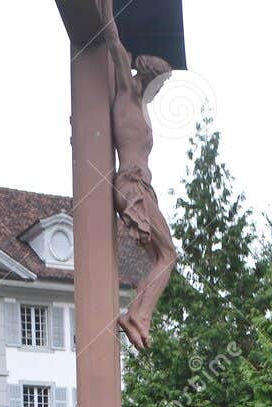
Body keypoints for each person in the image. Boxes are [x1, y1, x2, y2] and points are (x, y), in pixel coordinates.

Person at [97, 0, 177, 349]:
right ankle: (137, 316)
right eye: (160, 82)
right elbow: (113, 39)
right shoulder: (128, 92)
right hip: (131, 184)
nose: (160, 90)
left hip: (142, 187)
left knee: (162, 256)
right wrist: (108, 6)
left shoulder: (141, 105)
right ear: (147, 75)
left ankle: (138, 315)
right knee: (168, 254)